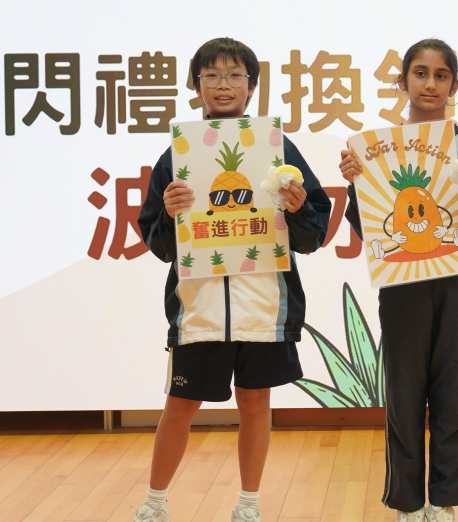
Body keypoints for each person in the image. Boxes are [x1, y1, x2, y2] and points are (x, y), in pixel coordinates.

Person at [132, 38, 331, 522]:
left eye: (235, 75)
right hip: (199, 309)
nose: (224, 85)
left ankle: (248, 505)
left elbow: (313, 233)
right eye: (213, 75)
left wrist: (297, 208)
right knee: (181, 404)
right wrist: (171, 216)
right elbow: (157, 241)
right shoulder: (177, 154)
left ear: (252, 86)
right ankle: (154, 503)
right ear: (196, 85)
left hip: (264, 305)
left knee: (256, 402)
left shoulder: (278, 149)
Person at [338, 39, 458, 522]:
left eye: (441, 75)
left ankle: (444, 500)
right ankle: (407, 504)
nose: (430, 84)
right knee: (403, 394)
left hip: (457, 283)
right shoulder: (376, 148)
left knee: (451, 393)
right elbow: (371, 230)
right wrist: (356, 185)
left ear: (455, 85)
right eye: (420, 73)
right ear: (402, 82)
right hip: (402, 285)